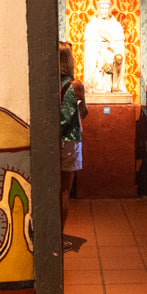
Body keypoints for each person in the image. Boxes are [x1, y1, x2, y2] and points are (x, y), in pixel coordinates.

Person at [60, 42, 88, 251]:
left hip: (49, 140)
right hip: (69, 139)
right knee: (64, 191)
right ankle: (59, 237)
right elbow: (84, 112)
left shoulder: (46, 82)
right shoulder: (75, 86)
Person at [83, 0, 126, 94]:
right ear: (98, 9)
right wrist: (101, 63)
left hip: (113, 64)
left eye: (106, 8)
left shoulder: (116, 26)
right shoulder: (91, 26)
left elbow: (120, 50)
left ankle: (115, 86)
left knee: (113, 85)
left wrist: (110, 40)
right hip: (97, 66)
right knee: (97, 87)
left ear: (110, 9)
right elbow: (90, 52)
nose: (104, 11)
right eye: (102, 8)